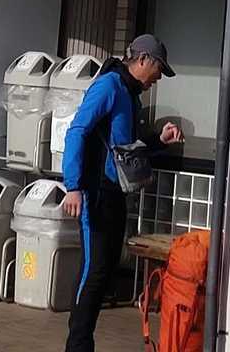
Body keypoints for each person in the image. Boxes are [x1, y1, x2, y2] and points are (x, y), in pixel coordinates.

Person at [61, 34, 185, 352]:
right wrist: (73, 186)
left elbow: (127, 149)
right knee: (94, 270)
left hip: (115, 193)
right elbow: (77, 131)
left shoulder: (130, 94)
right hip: (95, 191)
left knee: (104, 269)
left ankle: (81, 343)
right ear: (143, 60)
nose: (159, 78)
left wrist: (159, 140)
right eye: (159, 69)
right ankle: (77, 346)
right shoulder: (109, 86)